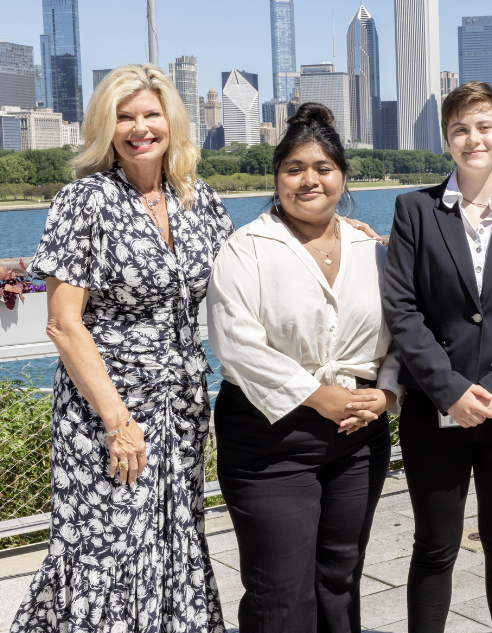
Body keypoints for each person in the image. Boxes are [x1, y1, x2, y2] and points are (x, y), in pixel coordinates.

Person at [12, 65, 231, 633]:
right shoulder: (84, 201)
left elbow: (252, 266)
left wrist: (340, 231)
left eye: (151, 115)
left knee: (173, 537)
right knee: (104, 551)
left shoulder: (197, 200)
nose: (140, 128)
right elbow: (63, 323)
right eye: (124, 117)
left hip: (180, 408)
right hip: (106, 412)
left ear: (171, 122)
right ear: (106, 127)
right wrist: (117, 421)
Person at [206, 103, 402, 632]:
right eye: (294, 169)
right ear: (276, 178)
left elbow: (403, 336)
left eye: (323, 169)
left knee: (340, 580)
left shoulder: (375, 250)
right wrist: (318, 395)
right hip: (270, 438)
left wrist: (387, 394)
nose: (308, 180)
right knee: (281, 593)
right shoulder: (246, 248)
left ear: (342, 176)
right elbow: (234, 343)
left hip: (360, 436)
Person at [382, 81, 492, 632]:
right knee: (435, 545)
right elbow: (403, 312)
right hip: (434, 411)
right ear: (446, 140)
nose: (472, 138)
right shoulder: (414, 210)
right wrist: (450, 389)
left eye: (484, 126)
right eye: (460, 128)